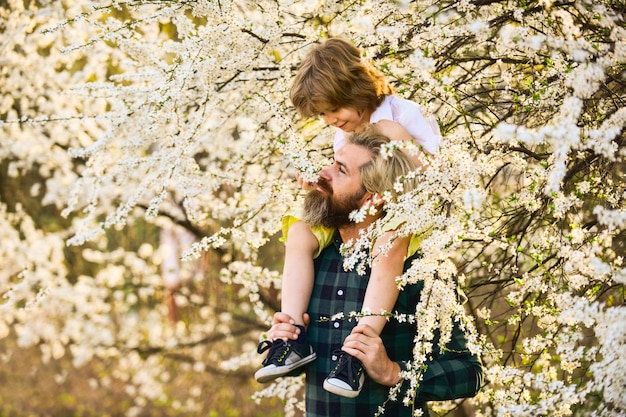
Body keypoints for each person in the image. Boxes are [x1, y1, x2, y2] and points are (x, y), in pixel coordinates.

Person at [255, 37, 441, 398]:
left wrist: (394, 141)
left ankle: (359, 347)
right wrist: (320, 182)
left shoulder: (401, 117)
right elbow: (344, 182)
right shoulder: (343, 132)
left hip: (399, 212)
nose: (329, 121)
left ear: (356, 89)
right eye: (322, 116)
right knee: (300, 233)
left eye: (332, 110)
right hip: (358, 212)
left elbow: (431, 177)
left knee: (388, 247)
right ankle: (291, 334)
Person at [261, 127, 483, 416]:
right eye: (332, 161)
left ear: (371, 198)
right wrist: (288, 337)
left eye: (340, 170)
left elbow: (469, 372)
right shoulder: (311, 258)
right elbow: (306, 369)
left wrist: (394, 373)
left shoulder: (419, 268)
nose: (323, 173)